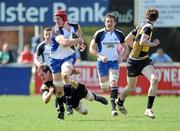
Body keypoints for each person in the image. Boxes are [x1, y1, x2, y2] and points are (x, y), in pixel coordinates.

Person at [115, 7, 160, 119]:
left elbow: (127, 39)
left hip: (144, 60)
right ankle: (119, 101)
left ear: (146, 16)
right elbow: (143, 41)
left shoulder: (142, 25)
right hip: (134, 62)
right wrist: (154, 43)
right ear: (157, 18)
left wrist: (136, 49)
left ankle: (148, 109)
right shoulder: (148, 27)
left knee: (154, 79)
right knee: (131, 87)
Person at [89, 13, 129, 116]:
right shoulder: (99, 33)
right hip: (102, 63)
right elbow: (91, 49)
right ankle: (106, 97)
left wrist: (122, 56)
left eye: (111, 21)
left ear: (115, 23)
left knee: (113, 82)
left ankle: (113, 109)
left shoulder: (119, 34)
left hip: (114, 62)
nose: (109, 23)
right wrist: (101, 56)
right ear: (105, 22)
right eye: (107, 21)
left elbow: (126, 48)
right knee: (105, 88)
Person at [38, 64, 108, 120]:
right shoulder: (45, 86)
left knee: (90, 97)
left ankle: (96, 97)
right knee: (85, 112)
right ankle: (68, 105)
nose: (41, 78)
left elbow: (66, 70)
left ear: (48, 72)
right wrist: (50, 93)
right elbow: (45, 100)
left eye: (42, 75)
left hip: (76, 89)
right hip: (71, 100)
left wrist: (73, 71)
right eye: (40, 76)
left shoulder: (57, 71)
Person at [50, 9, 85, 115]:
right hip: (55, 60)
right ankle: (61, 108)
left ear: (64, 18)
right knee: (59, 91)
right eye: (55, 18)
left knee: (65, 74)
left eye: (58, 18)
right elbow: (64, 43)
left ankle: (69, 104)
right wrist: (78, 41)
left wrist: (80, 44)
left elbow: (79, 35)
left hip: (69, 57)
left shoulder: (75, 26)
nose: (56, 21)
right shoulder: (55, 30)